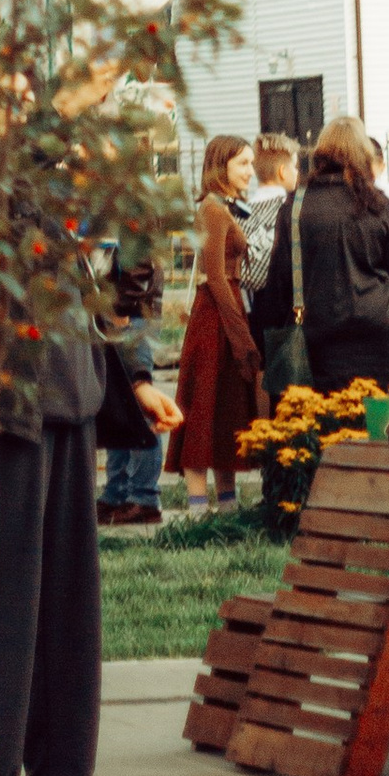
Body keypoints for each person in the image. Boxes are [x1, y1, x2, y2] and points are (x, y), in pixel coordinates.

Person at [0, 274, 182, 776]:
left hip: (70, 395)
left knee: (68, 591)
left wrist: (134, 378)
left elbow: (90, 283)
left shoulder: (65, 194)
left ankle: (65, 770)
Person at [248, 115, 389, 396]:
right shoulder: (379, 204)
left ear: (320, 154)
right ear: (363, 154)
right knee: (377, 428)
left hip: (317, 340)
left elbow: (279, 281)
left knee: (322, 429)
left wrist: (270, 338)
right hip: (380, 336)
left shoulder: (295, 205)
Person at [170, 135, 260, 507]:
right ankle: (197, 509)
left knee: (224, 408)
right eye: (242, 164)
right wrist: (241, 336)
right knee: (203, 407)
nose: (250, 172)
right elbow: (215, 276)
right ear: (220, 166)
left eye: (252, 164)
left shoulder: (224, 207)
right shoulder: (212, 208)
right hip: (216, 316)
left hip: (225, 310)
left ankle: (226, 504)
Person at [97, 233, 166, 526]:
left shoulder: (131, 203)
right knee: (119, 403)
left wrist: (121, 306)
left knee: (140, 404)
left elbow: (140, 259)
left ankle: (143, 496)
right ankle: (117, 493)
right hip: (122, 311)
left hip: (132, 313)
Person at [240, 134, 296, 293]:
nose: (297, 172)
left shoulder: (241, 212)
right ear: (283, 172)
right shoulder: (291, 210)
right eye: (295, 167)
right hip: (283, 300)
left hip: (249, 301)